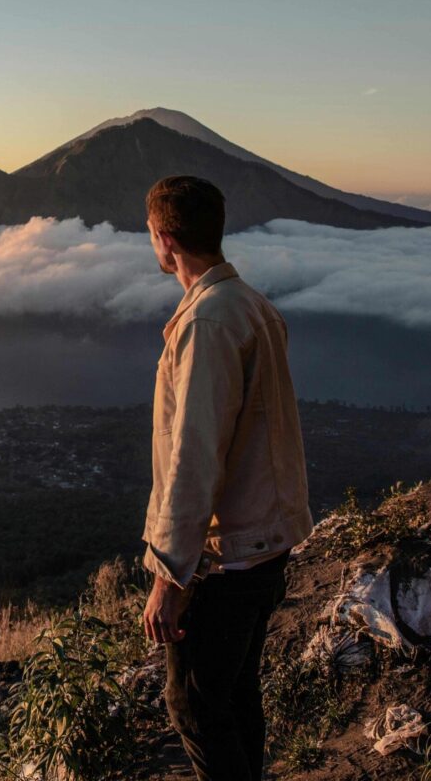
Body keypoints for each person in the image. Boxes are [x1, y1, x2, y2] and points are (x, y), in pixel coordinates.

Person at [140, 175, 314, 781]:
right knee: (236, 696)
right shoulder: (252, 306)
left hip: (226, 558)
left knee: (192, 704)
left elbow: (195, 457)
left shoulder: (207, 322)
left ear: (165, 240)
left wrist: (168, 573)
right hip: (264, 545)